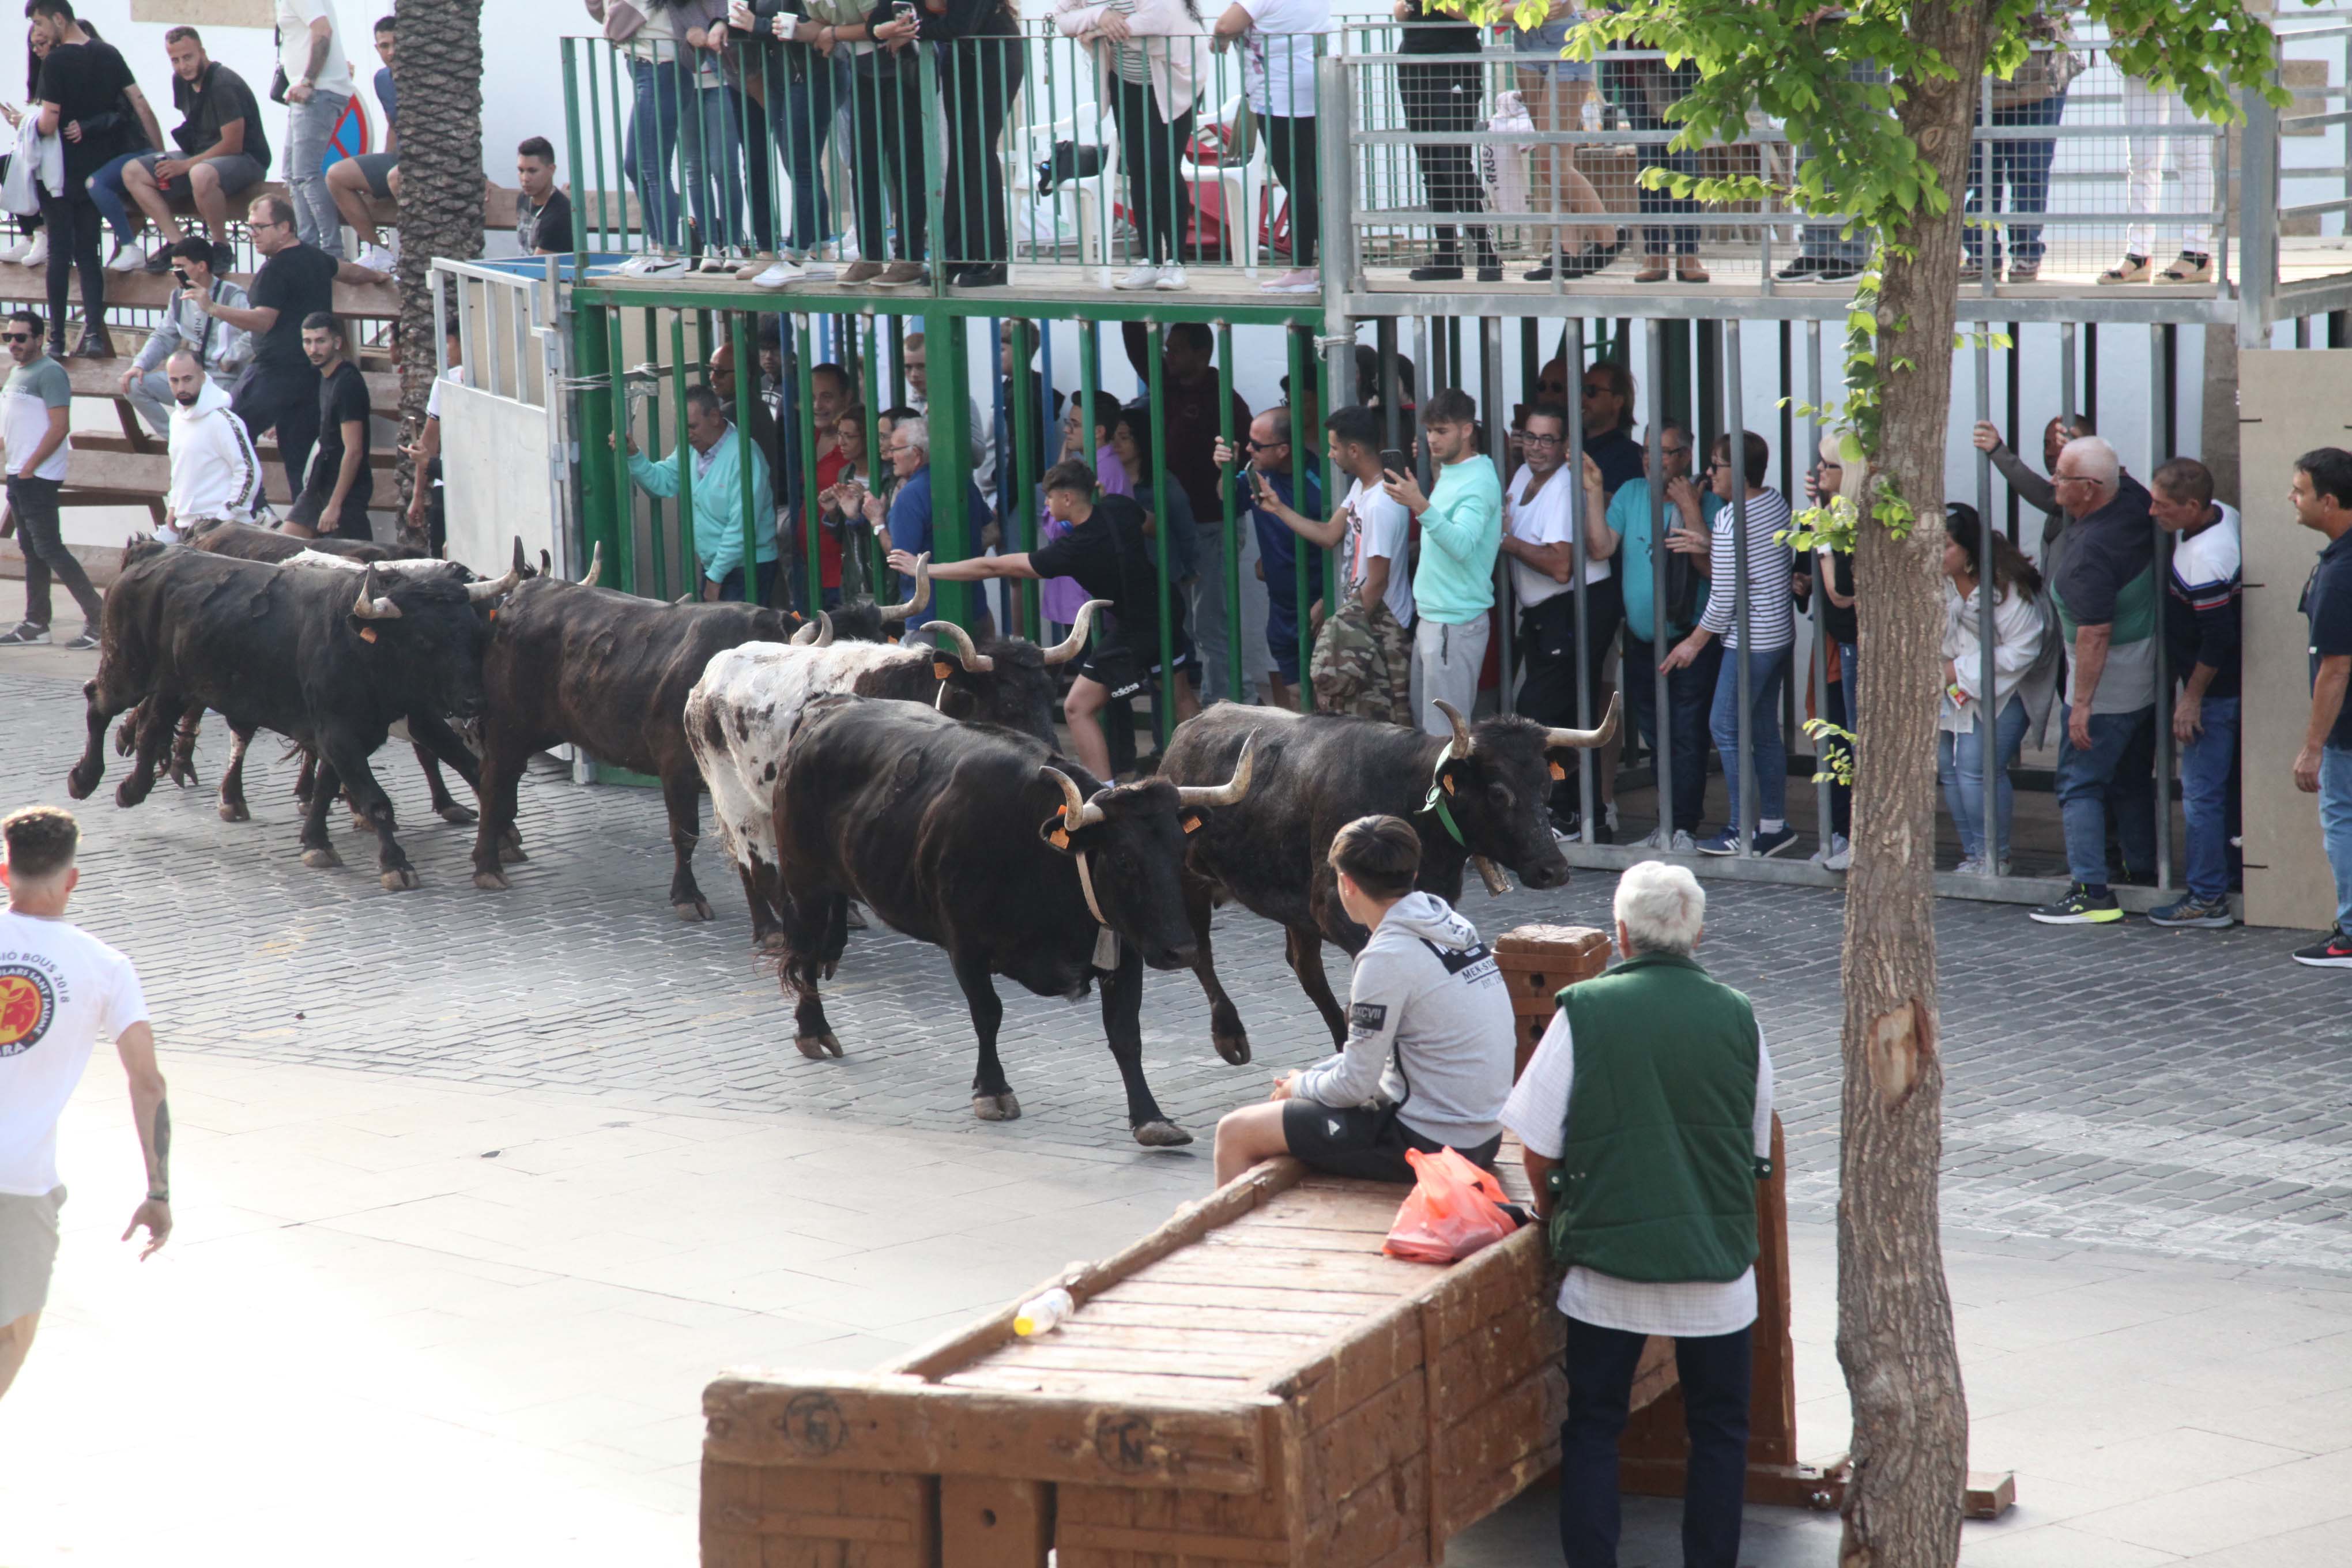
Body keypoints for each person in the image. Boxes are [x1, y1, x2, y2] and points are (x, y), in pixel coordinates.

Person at [1501, 859, 1773, 1568]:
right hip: (1716, 1268)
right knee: (1720, 1432)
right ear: (1699, 933)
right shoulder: (1740, 1016)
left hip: (1608, 1265)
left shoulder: (1584, 1010)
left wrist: (1551, 1208)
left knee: (1593, 1425)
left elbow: (1537, 1140)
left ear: (1621, 934)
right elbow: (1752, 1139)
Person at [1211, 814, 1513, 1185]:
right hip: (1485, 1135)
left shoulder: (1386, 957)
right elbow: (1380, 1060)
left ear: (1347, 884)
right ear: (1412, 874)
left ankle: (1224, 1243)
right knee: (1296, 1101)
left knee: (1235, 1131)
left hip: (1432, 1145)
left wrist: (1297, 1087)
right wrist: (1310, 1078)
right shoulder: (1451, 925)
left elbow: (1354, 1086)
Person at [0, 805, 172, 1405]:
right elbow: (146, 1081)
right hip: (18, 1184)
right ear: (72, 878)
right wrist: (158, 1191)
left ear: (4, 873)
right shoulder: (106, 967)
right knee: (10, 1332)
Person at [895, 459, 1197, 778]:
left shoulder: (1073, 549)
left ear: (1068, 498)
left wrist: (927, 569)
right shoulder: (1120, 507)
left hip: (1138, 628)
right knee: (1180, 697)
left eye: (1050, 498)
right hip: (1166, 608)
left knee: (1076, 708)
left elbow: (993, 567)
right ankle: (1209, 771)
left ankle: (1102, 795)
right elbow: (1151, 524)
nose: (1047, 505)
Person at [2033, 435, 2158, 925]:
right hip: (2145, 678)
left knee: (2078, 784)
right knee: (2129, 780)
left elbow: (2094, 634)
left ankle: (2091, 891)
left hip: (2107, 689)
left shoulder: (2089, 552)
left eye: (2062, 477)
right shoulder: (2131, 501)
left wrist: (2080, 704)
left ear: (2088, 489)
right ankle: (2144, 871)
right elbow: (2117, 469)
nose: (2053, 483)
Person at [1662, 429, 1796, 858]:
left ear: (1737, 470)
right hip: (1779, 635)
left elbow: (1725, 598)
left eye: (1716, 465)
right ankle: (1773, 826)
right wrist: (1713, 544)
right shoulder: (1773, 502)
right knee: (1763, 731)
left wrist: (1693, 644)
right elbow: (1754, 559)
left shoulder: (1731, 518)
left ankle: (1741, 828)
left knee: (1724, 725)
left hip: (1751, 641)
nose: (1708, 473)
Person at [1592, 420, 1718, 852]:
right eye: (1646, 450)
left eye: (1662, 452)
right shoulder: (1629, 494)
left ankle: (1684, 827)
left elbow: (1716, 571)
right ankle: (1665, 825)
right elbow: (1602, 547)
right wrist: (1593, 491)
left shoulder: (1710, 501)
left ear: (1685, 457)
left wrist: (1691, 510)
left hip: (1690, 640)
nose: (1650, 459)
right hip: (1643, 641)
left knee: (1686, 734)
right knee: (1655, 735)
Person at [203, 194, 375, 502]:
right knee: (299, 461)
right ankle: (305, 527)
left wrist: (213, 308)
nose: (252, 235)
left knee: (226, 432)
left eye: (259, 227)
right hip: (311, 376)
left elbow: (263, 321)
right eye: (249, 228)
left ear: (285, 227)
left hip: (275, 373)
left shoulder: (274, 271)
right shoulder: (315, 257)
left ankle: (256, 509)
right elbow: (351, 272)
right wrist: (378, 275)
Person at [1257, 404, 1414, 721]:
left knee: (1380, 725)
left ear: (1354, 450)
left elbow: (1378, 581)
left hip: (1382, 626)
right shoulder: (1361, 487)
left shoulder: (1381, 504)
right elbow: (1330, 534)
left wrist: (1339, 631)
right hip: (1362, 618)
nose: (1329, 455)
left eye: (1334, 448)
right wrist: (1277, 509)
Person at [1505, 402, 1620, 834]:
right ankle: (1578, 814)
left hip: (1577, 607)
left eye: (1547, 439)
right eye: (1530, 437)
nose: (1536, 448)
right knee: (1564, 718)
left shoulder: (1564, 485)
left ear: (1566, 445)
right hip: (1545, 613)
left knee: (1537, 715)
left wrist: (1506, 541)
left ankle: (1570, 811)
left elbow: (1559, 566)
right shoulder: (1522, 476)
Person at [29, 0, 161, 359]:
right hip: (97, 168)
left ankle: (56, 338)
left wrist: (28, 126)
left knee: (59, 253)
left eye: (41, 22)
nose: (39, 32)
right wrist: (158, 154)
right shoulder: (109, 53)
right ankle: (94, 336)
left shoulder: (55, 61)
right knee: (89, 254)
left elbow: (50, 121)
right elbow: (140, 104)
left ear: (59, 19)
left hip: (60, 170)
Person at [1125, 321, 1248, 696]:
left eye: (1176, 349)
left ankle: (1225, 704)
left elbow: (1244, 471)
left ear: (1202, 353)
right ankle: (1212, 699)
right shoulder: (1167, 386)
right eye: (1167, 348)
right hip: (1175, 527)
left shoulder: (1225, 400)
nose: (1167, 355)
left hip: (1212, 526)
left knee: (1212, 624)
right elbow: (1135, 343)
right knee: (1185, 623)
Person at [2147, 457, 2242, 928]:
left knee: (2202, 794)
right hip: (2222, 689)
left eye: (2162, 506)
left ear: (2191, 506)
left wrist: (2192, 698)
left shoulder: (2202, 559)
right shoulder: (2223, 512)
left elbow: (2217, 637)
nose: (2152, 512)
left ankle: (2208, 898)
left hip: (2215, 694)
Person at [1938, 503, 2056, 878]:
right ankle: (1974, 854)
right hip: (1954, 686)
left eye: (1944, 546)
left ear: (1969, 551)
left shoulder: (2006, 587)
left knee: (1977, 766)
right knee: (1949, 766)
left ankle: (1995, 856)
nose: (1935, 554)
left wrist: (1957, 670)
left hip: (2009, 689)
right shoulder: (1939, 579)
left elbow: (2024, 650)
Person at [1057, 0, 1207, 292]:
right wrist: (1101, 15)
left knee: (1165, 165)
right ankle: (1150, 260)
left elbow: (1158, 19)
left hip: (1174, 79)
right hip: (1125, 80)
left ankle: (1176, 262)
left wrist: (1097, 30)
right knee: (1137, 168)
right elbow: (1064, 19)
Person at [872, 0, 1023, 289]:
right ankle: (959, 252)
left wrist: (910, 32)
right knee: (961, 152)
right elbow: (883, 18)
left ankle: (992, 258)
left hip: (995, 50)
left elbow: (959, 25)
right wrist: (891, 29)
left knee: (979, 147)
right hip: (960, 56)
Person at [772, 0, 924, 287]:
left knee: (904, 163)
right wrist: (823, 32)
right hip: (863, 69)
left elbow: (875, 26)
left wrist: (835, 34)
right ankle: (870, 256)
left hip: (900, 66)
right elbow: (824, 27)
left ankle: (910, 257)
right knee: (863, 163)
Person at [1384, 387, 1501, 736]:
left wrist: (1420, 503)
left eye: (1442, 431)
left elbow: (1463, 545)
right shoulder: (1457, 470)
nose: (1433, 439)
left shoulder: (1479, 481)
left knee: (1445, 738)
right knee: (1431, 734)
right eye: (1430, 430)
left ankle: (1450, 795)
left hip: (1454, 624)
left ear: (1467, 431)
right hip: (1438, 620)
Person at [116, 27, 269, 278]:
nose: (183, 66)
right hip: (202, 157)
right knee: (133, 172)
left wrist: (185, 167)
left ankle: (220, 247)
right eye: (175, 60)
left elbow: (233, 143)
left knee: (200, 174)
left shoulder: (223, 84)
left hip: (246, 159)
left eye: (188, 58)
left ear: (202, 53)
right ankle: (177, 243)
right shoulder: (180, 82)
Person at [618, 384, 778, 602]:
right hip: (716, 569)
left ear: (714, 416)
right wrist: (634, 455)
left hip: (748, 567)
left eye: (692, 426)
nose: (687, 434)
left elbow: (742, 526)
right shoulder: (690, 450)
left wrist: (715, 578)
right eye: (681, 427)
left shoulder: (745, 455)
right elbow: (662, 483)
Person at [1213, 0, 1326, 294]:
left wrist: (1221, 38)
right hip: (1313, 82)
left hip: (1279, 91)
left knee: (1295, 179)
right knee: (1312, 177)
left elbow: (1225, 24)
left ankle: (1301, 269)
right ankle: (1325, 263)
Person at [2288, 448, 2352, 967]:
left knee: (2343, 820)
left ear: (2329, 501)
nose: (2293, 498)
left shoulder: (2341, 572)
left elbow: (2336, 667)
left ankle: (2351, 933)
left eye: (2300, 490)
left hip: (2348, 734)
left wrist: (2313, 747)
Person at [0, 309, 96, 649]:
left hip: (37, 476)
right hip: (19, 475)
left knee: (49, 548)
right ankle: (36, 623)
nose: (14, 343)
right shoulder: (16, 373)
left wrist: (30, 468)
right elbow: (13, 429)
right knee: (33, 550)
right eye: (8, 337)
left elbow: (60, 427)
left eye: (21, 337)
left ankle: (99, 620)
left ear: (40, 339)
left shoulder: (51, 373)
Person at [1961, 2, 2075, 284]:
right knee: (1979, 173)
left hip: (2039, 78)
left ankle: (2026, 254)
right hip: (1982, 80)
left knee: (2029, 171)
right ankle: (1981, 255)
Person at [1216, 406, 1322, 709]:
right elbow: (1228, 498)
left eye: (1257, 445)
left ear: (1285, 449)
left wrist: (1330, 597)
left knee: (1327, 700)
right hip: (1282, 607)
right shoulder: (1257, 473)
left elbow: (1343, 544)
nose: (1249, 449)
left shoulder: (1319, 484)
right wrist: (1226, 470)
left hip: (1318, 607)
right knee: (1296, 696)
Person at [1511, 0, 1619, 281]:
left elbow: (1553, 7)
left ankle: (1609, 235)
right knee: (1557, 161)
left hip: (1564, 39)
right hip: (1525, 40)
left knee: (1549, 164)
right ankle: (1568, 253)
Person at [1397, 0, 1498, 283]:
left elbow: (1478, 14)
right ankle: (1447, 255)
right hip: (1414, 61)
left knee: (1453, 161)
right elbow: (1402, 12)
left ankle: (1487, 254)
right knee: (1430, 162)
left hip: (1455, 63)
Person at [117, 237, 248, 439]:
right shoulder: (178, 296)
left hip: (221, 381)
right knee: (134, 384)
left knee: (210, 415)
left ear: (202, 266)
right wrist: (140, 365)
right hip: (188, 378)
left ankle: (202, 445)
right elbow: (164, 335)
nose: (174, 273)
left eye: (180, 267)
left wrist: (230, 357)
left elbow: (254, 333)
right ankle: (178, 441)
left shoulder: (232, 295)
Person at [861, 416, 990, 608]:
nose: (890, 455)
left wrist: (877, 522)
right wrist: (962, 562)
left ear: (916, 454)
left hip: (927, 612)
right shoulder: (960, 482)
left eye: (895, 449)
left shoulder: (910, 496)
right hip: (974, 604)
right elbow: (993, 532)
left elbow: (900, 559)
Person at [2102, 70, 2213, 287]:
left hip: (2189, 52)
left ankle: (2197, 253)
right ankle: (2138, 255)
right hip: (2141, 55)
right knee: (2142, 158)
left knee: (2191, 154)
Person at [276, 0, 354, 258]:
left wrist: (308, 81)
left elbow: (323, 30)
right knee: (291, 172)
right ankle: (308, 247)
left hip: (316, 92)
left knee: (306, 173)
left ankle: (331, 251)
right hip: (306, 93)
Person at [161, 349, 264, 542]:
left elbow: (249, 472)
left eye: (187, 379)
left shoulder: (223, 421)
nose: (181, 387)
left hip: (225, 534)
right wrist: (174, 506)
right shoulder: (176, 419)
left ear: (202, 377)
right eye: (174, 381)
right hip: (187, 529)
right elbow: (180, 469)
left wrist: (224, 519)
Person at [323, 14, 400, 274]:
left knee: (395, 177)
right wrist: (378, 166)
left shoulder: (427, 78)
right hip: (400, 160)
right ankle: (378, 251)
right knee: (336, 175)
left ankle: (416, 253)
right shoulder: (382, 80)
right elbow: (392, 123)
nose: (391, 52)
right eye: (384, 46)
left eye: (396, 43)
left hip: (430, 163)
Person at [285, 314, 371, 540]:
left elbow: (354, 451)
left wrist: (335, 505)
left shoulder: (348, 383)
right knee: (284, 546)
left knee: (353, 563)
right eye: (308, 342)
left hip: (345, 491)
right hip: (318, 483)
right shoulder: (325, 376)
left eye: (320, 341)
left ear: (337, 342)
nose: (313, 349)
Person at [1971, 412, 2094, 548]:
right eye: (2047, 444)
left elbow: (2044, 495)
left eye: (2060, 445)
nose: (2050, 452)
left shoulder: (2094, 496)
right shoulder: (2057, 509)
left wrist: (1997, 450)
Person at [399, 318, 463, 551]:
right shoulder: (445, 381)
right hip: (444, 485)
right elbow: (429, 441)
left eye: (448, 344)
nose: (444, 351)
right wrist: (417, 495)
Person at [0, 26, 55, 269]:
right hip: (44, 145)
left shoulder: (63, 72)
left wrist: (25, 123)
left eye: (42, 44)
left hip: (65, 151)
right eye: (34, 45)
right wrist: (22, 124)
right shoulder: (42, 77)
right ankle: (31, 234)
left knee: (19, 166)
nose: (38, 50)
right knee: (10, 164)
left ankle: (41, 232)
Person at [1576, 360, 1645, 499]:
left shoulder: (1632, 458)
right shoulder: (1569, 445)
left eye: (1591, 391)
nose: (1582, 398)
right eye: (1581, 390)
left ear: (1617, 401)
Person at [513, 137, 575, 256]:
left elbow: (539, 266)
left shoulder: (560, 215)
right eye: (521, 170)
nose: (525, 179)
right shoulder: (524, 198)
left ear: (551, 170)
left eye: (532, 171)